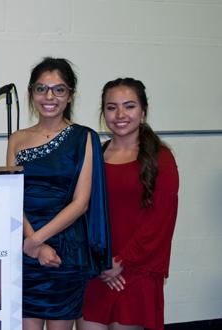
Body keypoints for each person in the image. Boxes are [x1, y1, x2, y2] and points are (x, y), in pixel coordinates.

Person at [5, 57, 111, 330]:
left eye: (58, 89)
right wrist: (33, 244)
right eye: (41, 89)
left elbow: (81, 203)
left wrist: (37, 241)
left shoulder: (84, 137)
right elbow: (12, 195)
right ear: (31, 93)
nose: (49, 96)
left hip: (63, 253)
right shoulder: (17, 138)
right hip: (25, 250)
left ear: (70, 95)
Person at [78, 78, 179, 330]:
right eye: (112, 107)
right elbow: (82, 212)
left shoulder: (161, 158)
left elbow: (161, 220)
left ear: (143, 112)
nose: (120, 114)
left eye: (129, 106)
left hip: (136, 272)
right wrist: (100, 262)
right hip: (97, 270)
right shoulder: (95, 156)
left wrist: (122, 261)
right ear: (103, 113)